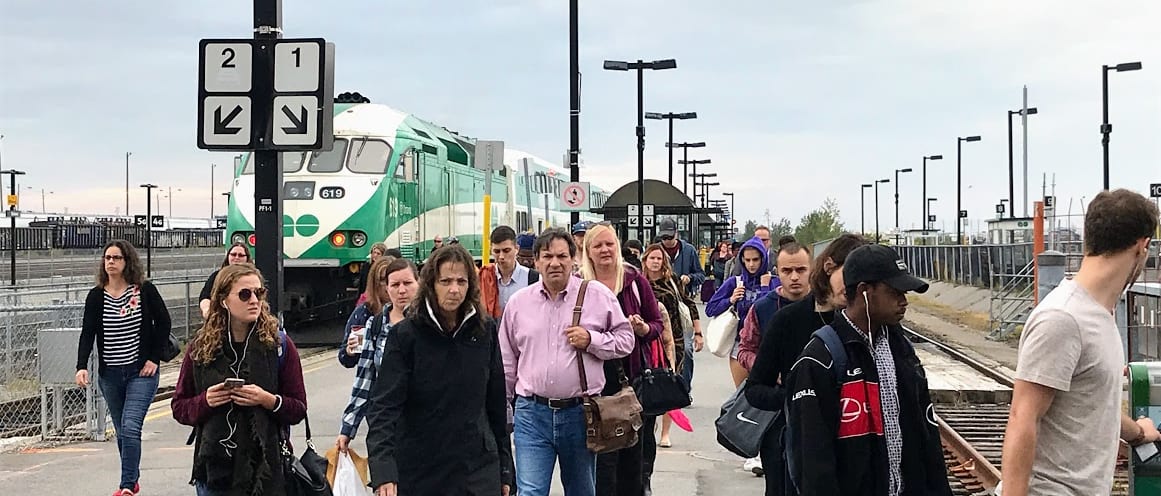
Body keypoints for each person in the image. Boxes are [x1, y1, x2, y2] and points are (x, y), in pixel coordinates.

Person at [1000, 189, 1160, 496]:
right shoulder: (1063, 317)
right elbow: (1023, 417)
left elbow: (1092, 403)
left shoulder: (1099, 313)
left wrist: (1138, 433)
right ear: (1142, 246)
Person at [784, 244, 951, 496]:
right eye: (895, 292)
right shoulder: (820, 359)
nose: (904, 301)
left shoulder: (902, 351)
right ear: (864, 292)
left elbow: (926, 435)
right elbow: (813, 461)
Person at [366, 245, 513, 495]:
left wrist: (506, 469)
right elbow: (384, 408)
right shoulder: (405, 336)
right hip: (421, 470)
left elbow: (496, 405)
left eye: (461, 281)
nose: (454, 289)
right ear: (431, 284)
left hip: (477, 469)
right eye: (445, 281)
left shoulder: (485, 330)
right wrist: (383, 471)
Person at [499, 228, 635, 496]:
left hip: (579, 413)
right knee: (530, 492)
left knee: (581, 490)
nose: (554, 263)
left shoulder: (596, 295)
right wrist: (505, 408)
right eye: (547, 256)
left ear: (574, 259)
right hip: (531, 413)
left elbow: (625, 340)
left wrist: (592, 340)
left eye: (562, 256)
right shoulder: (518, 303)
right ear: (535, 261)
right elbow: (507, 359)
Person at [171, 263, 308, 496]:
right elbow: (179, 406)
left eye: (259, 293)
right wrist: (206, 401)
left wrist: (267, 400)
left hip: (267, 470)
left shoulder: (279, 345)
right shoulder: (201, 347)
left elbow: (298, 409)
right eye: (245, 294)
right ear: (224, 300)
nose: (254, 300)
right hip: (215, 470)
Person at [747, 233, 866, 495]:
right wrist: (798, 398)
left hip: (854, 448)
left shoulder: (867, 321)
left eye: (800, 269)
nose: (794, 277)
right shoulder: (786, 320)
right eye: (787, 270)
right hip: (792, 443)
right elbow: (755, 389)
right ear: (829, 268)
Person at [75, 239, 171, 496]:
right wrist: (81, 366)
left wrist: (153, 358)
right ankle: (132, 476)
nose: (111, 262)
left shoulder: (144, 291)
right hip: (111, 375)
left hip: (141, 372)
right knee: (121, 431)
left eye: (116, 258)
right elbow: (88, 333)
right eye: (107, 258)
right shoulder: (97, 296)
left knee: (130, 426)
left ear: (127, 261)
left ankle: (127, 485)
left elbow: (164, 323)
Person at [580, 224, 665, 496]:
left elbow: (657, 324)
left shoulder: (634, 280)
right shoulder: (579, 284)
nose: (605, 250)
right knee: (601, 462)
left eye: (610, 244)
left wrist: (641, 329)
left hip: (630, 380)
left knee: (632, 458)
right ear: (588, 252)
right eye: (598, 246)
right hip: (591, 385)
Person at [336, 257, 418, 454]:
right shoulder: (376, 324)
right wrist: (348, 427)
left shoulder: (430, 323)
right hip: (386, 425)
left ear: (419, 283)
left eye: (407, 283)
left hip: (424, 425)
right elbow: (365, 379)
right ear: (387, 288)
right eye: (395, 284)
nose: (401, 290)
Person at [640, 243, 702, 479]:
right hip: (648, 342)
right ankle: (650, 427)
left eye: (659, 258)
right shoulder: (639, 282)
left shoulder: (673, 282)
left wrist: (697, 333)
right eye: (652, 258)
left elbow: (690, 306)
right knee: (648, 388)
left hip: (673, 341)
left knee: (667, 387)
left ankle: (665, 432)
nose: (655, 262)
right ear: (645, 260)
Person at [339, 249, 398, 368]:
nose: (387, 286)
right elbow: (346, 358)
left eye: (392, 281)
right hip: (371, 383)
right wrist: (350, 351)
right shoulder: (364, 313)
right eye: (382, 280)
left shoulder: (412, 313)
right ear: (374, 283)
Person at [480, 225, 540, 320]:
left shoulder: (534, 279)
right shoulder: (485, 278)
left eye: (506, 250)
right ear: (491, 250)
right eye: (497, 251)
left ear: (516, 249)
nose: (501, 256)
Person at [198, 242, 252, 318]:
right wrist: (207, 310)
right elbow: (205, 296)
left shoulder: (253, 278)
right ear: (228, 256)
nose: (236, 257)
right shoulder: (217, 276)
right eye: (233, 254)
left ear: (247, 258)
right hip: (221, 318)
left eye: (241, 255)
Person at [657, 218, 706, 296]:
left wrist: (690, 278)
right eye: (664, 237)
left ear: (676, 233)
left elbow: (701, 275)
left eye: (670, 237)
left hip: (683, 297)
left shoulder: (689, 250)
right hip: (660, 296)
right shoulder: (655, 251)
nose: (667, 241)